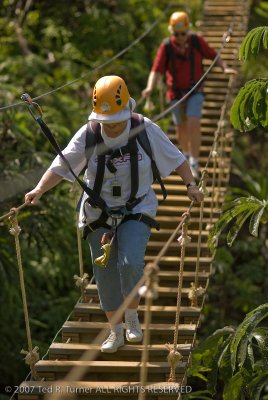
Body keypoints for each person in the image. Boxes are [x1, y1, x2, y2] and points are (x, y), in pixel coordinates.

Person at [25, 75, 204, 353]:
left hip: (137, 207)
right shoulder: (89, 134)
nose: (113, 125)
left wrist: (190, 185)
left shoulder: (144, 128)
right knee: (104, 272)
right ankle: (115, 331)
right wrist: (38, 190)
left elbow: (176, 157)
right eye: (108, 121)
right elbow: (62, 166)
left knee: (130, 262)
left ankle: (132, 317)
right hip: (98, 212)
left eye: (118, 119)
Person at [142, 11, 237, 179]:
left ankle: (194, 160)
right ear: (172, 32)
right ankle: (185, 154)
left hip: (195, 91)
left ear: (188, 31)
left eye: (183, 33)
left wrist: (224, 67)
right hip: (175, 93)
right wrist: (150, 87)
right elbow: (156, 70)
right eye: (176, 34)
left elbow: (213, 55)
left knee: (194, 122)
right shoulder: (166, 47)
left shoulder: (196, 41)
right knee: (181, 127)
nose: (180, 37)